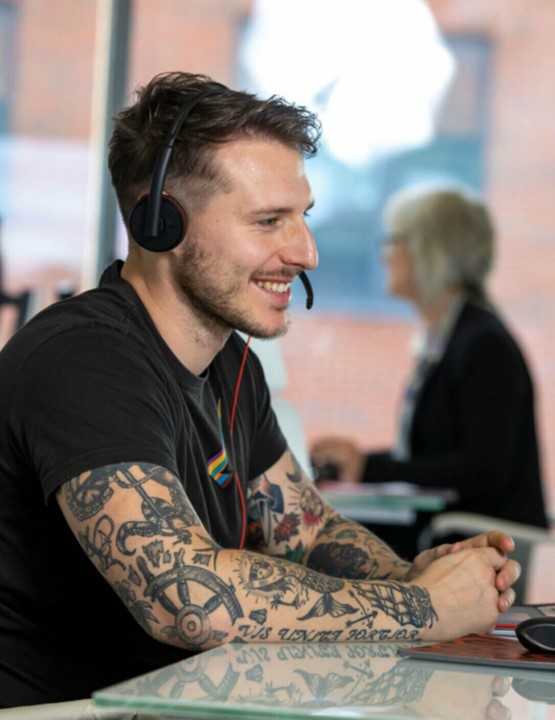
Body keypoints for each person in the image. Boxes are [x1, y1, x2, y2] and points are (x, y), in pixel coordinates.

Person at [0, 73, 519, 708]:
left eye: (302, 218)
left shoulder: (229, 364)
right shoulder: (82, 359)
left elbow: (306, 531)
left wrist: (420, 576)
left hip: (197, 701)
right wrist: (421, 607)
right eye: (269, 221)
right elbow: (187, 598)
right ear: (161, 222)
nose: (306, 252)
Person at [311, 185, 548, 533]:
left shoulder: (483, 344)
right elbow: (436, 459)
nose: (385, 254)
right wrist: (362, 463)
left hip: (473, 545)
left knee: (318, 534)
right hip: (446, 533)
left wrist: (370, 469)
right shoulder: (453, 336)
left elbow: (481, 470)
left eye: (394, 240)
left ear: (428, 252)